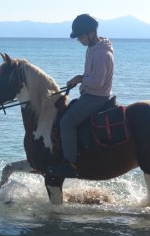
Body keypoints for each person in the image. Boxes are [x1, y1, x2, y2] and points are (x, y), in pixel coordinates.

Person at [48, 14, 114, 178]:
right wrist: (80, 81)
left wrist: (79, 79)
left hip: (96, 97)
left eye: (81, 36)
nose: (79, 39)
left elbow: (97, 82)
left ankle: (71, 164)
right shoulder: (93, 49)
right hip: (90, 94)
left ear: (92, 33)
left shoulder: (101, 54)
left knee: (67, 122)